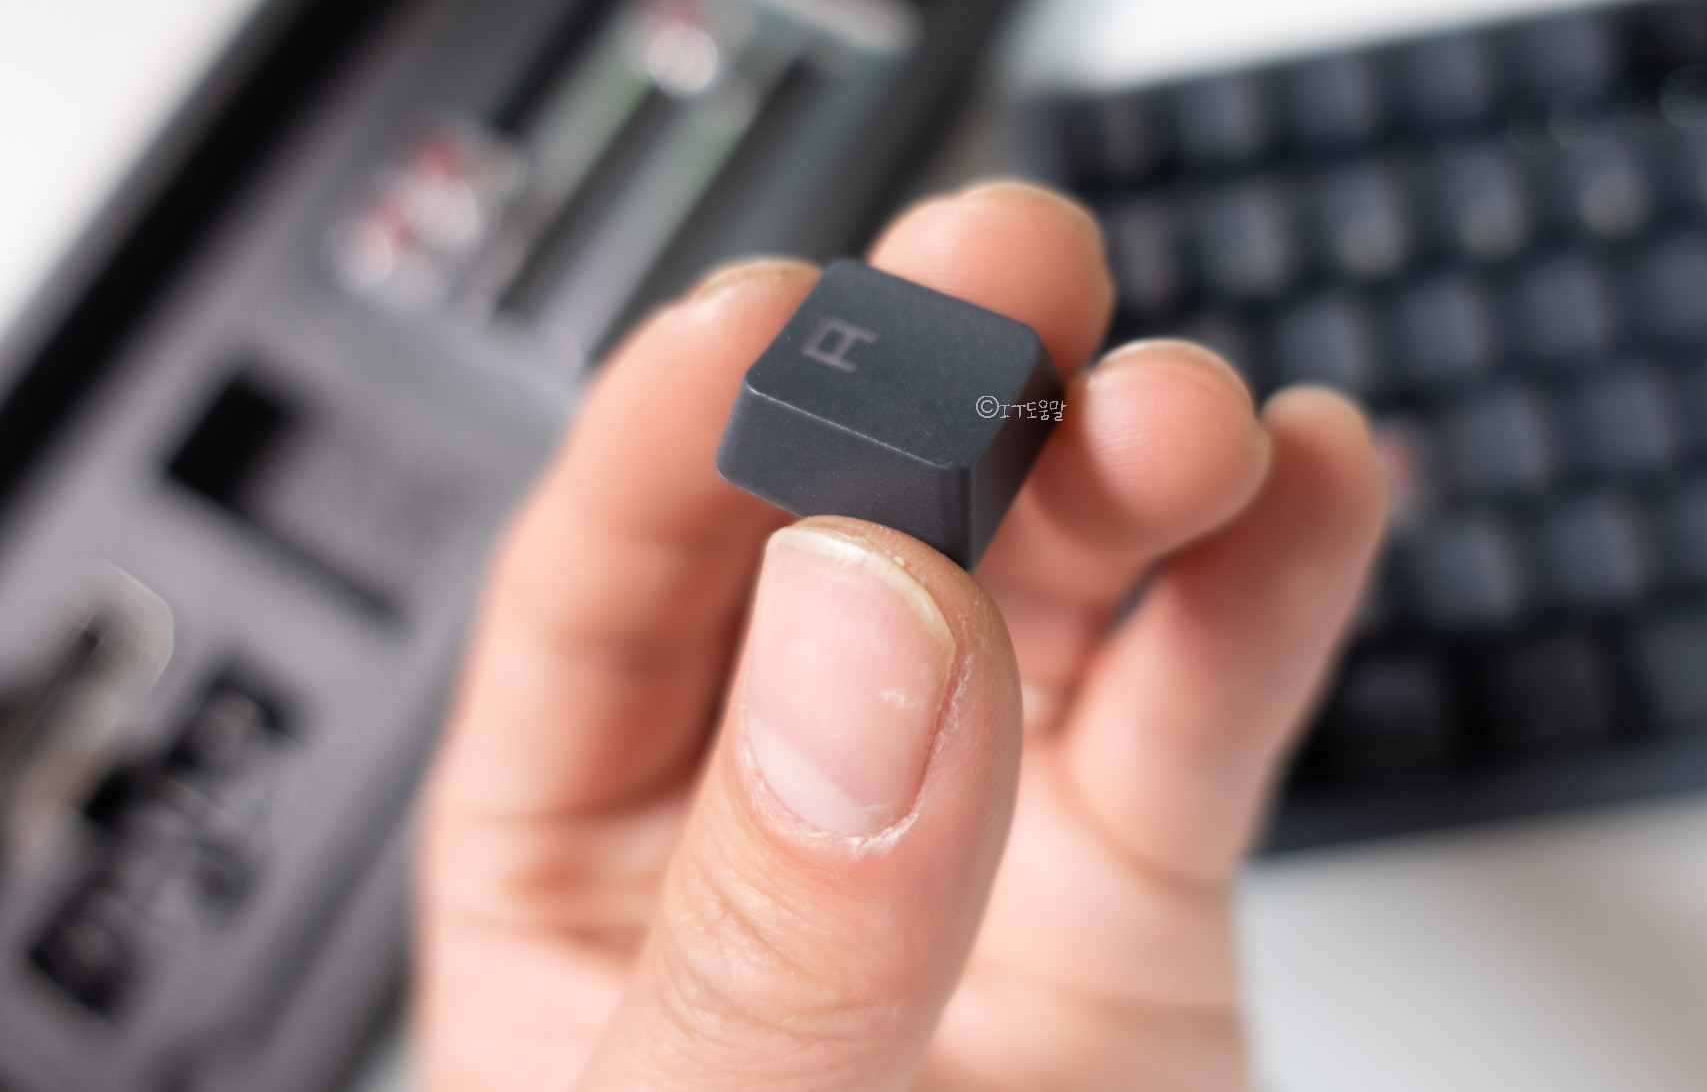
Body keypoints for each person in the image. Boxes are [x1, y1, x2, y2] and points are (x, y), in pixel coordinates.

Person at [415, 180, 1387, 1089]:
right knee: (1032, 332)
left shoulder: (1025, 402)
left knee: (1052, 363)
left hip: (1004, 426)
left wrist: (1025, 406)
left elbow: (1032, 401)